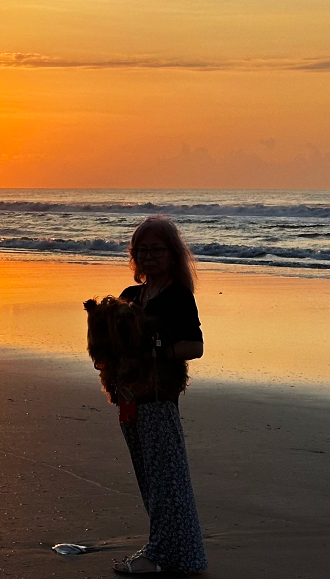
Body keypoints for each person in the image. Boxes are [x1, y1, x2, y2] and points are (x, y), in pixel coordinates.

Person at [112, 216, 208, 575]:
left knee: (168, 480)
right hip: (128, 397)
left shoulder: (178, 296)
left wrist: (156, 354)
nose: (148, 256)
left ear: (172, 254)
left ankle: (158, 555)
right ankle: (180, 555)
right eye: (141, 250)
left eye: (156, 249)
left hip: (159, 398)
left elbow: (194, 346)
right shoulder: (130, 296)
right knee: (150, 479)